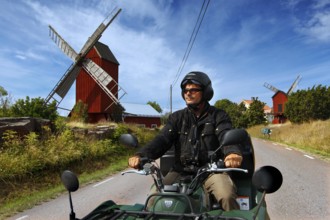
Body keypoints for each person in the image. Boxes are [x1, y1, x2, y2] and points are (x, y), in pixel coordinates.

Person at [128, 71, 243, 211]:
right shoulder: (177, 118)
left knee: (226, 195)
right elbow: (162, 139)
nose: (188, 93)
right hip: (181, 171)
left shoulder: (218, 115)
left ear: (206, 92)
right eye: (186, 90)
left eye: (193, 90)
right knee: (153, 199)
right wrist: (141, 155)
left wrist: (231, 153)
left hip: (211, 171)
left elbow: (225, 134)